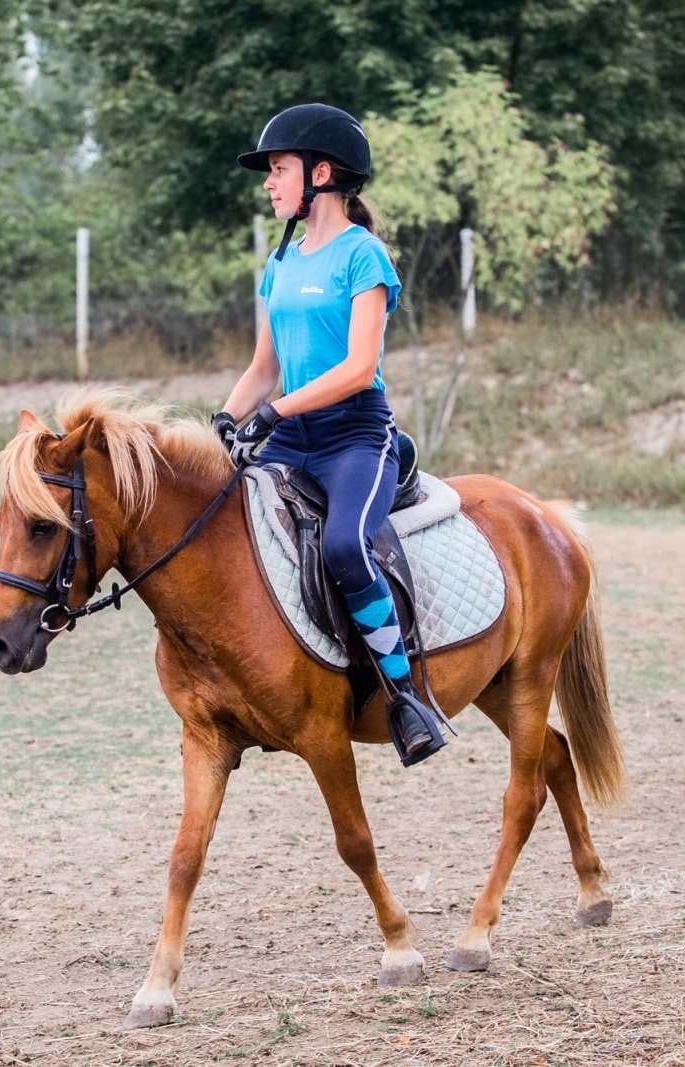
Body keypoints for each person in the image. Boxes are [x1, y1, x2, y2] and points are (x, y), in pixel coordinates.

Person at [212, 103, 447, 767]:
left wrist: (273, 414)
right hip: (290, 435)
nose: (268, 182)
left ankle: (405, 697)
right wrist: (225, 420)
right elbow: (264, 368)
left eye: (279, 169)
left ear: (321, 174)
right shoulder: (280, 260)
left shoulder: (363, 255)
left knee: (344, 544)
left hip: (355, 437)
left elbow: (357, 368)